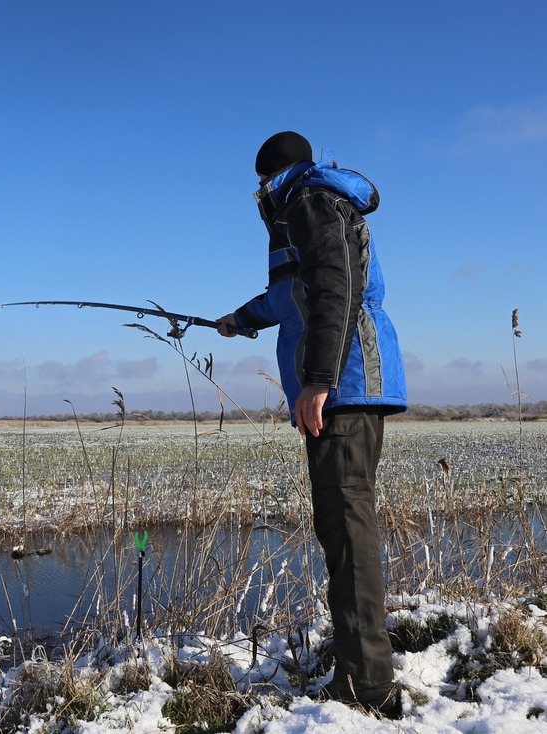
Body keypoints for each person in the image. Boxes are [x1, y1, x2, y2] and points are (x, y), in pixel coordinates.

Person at [217, 131, 408, 717]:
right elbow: (292, 294)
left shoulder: (310, 200)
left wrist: (318, 380)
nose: (258, 196)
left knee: (347, 528)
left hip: (343, 388)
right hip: (340, 386)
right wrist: (237, 319)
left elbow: (335, 286)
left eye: (259, 184)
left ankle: (367, 686)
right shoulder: (308, 205)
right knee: (340, 524)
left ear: (271, 176)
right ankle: (362, 659)